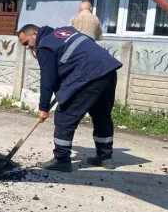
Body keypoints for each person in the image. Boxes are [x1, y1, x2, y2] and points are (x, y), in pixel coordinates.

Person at [17, 24, 122, 172]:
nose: (26, 48)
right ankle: (105, 157)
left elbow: (48, 80)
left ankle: (61, 159)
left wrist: (43, 108)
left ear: (34, 34)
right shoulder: (65, 31)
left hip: (88, 75)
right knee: (101, 115)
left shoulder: (45, 47)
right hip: (107, 70)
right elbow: (87, 44)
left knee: (64, 117)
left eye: (26, 43)